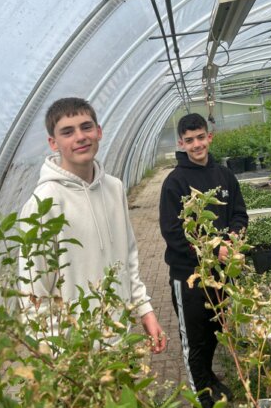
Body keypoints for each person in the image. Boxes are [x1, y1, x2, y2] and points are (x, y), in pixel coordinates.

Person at [19, 97, 166, 354]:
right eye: (67, 132)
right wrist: (55, 356)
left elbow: (127, 257)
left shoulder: (114, 188)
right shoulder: (44, 203)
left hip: (118, 338)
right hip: (74, 352)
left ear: (98, 131)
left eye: (86, 127)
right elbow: (34, 291)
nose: (80, 137)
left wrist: (145, 309)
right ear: (53, 143)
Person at [159, 113, 248, 408]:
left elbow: (239, 213)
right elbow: (173, 234)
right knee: (195, 343)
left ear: (210, 137)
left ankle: (210, 379)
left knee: (214, 332)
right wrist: (211, 249)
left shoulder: (224, 175)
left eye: (201, 137)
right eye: (189, 140)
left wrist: (233, 238)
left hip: (222, 274)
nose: (196, 144)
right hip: (190, 279)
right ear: (181, 143)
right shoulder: (175, 183)